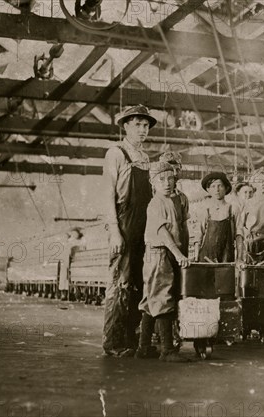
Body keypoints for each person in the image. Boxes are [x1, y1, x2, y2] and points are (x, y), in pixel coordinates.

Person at [102, 105, 155, 357]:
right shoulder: (116, 153)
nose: (143, 130)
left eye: (146, 126)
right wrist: (114, 231)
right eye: (137, 125)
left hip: (144, 228)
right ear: (125, 126)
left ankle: (132, 340)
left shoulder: (145, 159)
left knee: (139, 284)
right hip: (124, 225)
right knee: (119, 284)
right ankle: (114, 343)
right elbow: (108, 194)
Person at [137, 162, 191, 362]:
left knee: (151, 299)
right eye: (161, 179)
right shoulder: (156, 203)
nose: (167, 183)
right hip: (159, 253)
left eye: (170, 178)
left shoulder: (171, 201)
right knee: (162, 297)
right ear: (152, 182)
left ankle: (143, 348)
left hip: (163, 254)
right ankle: (167, 350)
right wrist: (178, 254)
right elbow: (163, 232)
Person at [236, 168, 264, 268]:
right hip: (250, 246)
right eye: (258, 182)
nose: (262, 184)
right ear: (254, 185)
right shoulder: (247, 203)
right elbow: (240, 228)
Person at [194, 172, 236, 263]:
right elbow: (198, 235)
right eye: (213, 186)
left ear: (226, 188)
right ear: (208, 189)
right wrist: (196, 257)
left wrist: (240, 258)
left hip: (226, 256)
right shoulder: (205, 209)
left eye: (220, 186)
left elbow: (238, 235)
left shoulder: (232, 209)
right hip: (206, 257)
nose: (217, 190)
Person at [58, 227, 86, 301]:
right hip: (68, 262)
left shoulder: (75, 242)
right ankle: (66, 293)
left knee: (66, 276)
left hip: (71, 262)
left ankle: (66, 293)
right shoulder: (70, 242)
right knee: (65, 276)